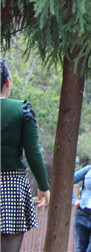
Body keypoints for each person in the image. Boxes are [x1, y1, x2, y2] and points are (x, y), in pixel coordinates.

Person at [0, 57, 51, 252]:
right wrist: (43, 186)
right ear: (7, 82)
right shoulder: (21, 110)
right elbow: (33, 153)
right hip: (12, 186)